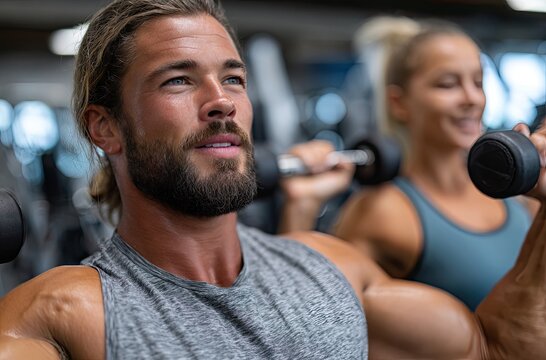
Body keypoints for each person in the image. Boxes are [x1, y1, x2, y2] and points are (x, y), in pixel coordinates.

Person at [2, 1, 546, 358]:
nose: (221, 102)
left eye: (233, 78)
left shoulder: (329, 266)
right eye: (177, 80)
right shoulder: (67, 312)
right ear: (105, 127)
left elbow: (495, 349)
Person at [330, 18, 536, 310]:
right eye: (448, 84)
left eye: (478, 82)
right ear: (399, 103)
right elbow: (332, 324)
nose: (473, 98)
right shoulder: (382, 212)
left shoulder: (521, 197)